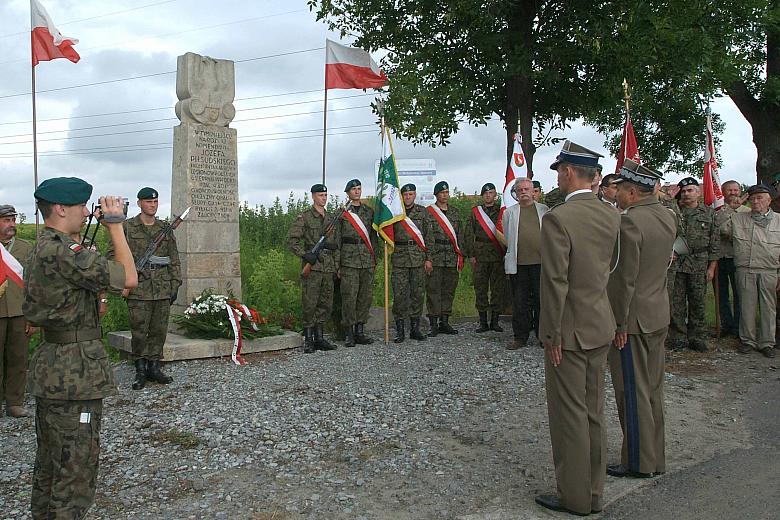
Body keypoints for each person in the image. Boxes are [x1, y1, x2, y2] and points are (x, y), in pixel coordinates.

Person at [24, 177, 137, 519]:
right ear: (60, 209)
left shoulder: (43, 246)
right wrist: (116, 226)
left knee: (51, 463)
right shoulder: (62, 251)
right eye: (80, 207)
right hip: (75, 376)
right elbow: (128, 277)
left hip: (53, 368)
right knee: (75, 470)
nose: (86, 213)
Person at [535, 141, 620, 516]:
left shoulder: (558, 218)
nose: (557, 177)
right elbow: (615, 271)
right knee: (594, 413)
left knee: (570, 416)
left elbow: (556, 282)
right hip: (599, 324)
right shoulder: (611, 214)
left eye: (558, 171)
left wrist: (550, 332)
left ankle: (574, 497)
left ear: (568, 172)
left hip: (568, 332)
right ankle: (595, 492)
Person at [606, 159, 677, 479]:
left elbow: (623, 281)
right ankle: (655, 457)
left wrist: (619, 324)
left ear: (632, 192)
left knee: (632, 394)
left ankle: (638, 462)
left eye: (620, 188)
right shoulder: (666, 215)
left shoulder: (629, 223)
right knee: (652, 390)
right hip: (657, 313)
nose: (616, 193)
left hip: (633, 322)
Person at [106, 187, 180, 390]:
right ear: (139, 203)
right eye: (148, 202)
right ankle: (140, 369)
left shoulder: (165, 229)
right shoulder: (128, 227)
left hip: (162, 287)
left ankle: (154, 367)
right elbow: (113, 255)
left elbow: (174, 258)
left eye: (155, 202)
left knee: (159, 330)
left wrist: (175, 284)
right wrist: (123, 281)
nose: (152, 205)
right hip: (138, 288)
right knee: (139, 331)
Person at [720, 184, 780, 358]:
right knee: (747, 306)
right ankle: (748, 340)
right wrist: (730, 208)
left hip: (769, 270)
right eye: (752, 198)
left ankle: (767, 342)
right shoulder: (739, 218)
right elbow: (721, 228)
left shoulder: (778, 220)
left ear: (769, 200)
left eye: (760, 198)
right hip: (745, 268)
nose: (755, 201)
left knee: (769, 307)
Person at [286, 184, 339, 353]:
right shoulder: (305, 217)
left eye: (325, 195)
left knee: (325, 302)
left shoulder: (331, 218)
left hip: (328, 265)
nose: (324, 198)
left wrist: (336, 265)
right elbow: (291, 240)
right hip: (313, 265)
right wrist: (304, 255)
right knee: (310, 303)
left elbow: (337, 245)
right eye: (321, 195)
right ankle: (308, 339)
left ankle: (320, 337)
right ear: (313, 196)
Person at [668, 177, 719, 352]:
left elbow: (714, 242)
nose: (686, 193)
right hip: (678, 262)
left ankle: (697, 337)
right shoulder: (675, 211)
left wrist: (712, 267)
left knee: (698, 301)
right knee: (677, 301)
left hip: (699, 262)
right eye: (683, 191)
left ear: (698, 192)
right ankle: (678, 336)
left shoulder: (709, 213)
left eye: (690, 190)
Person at [501, 178, 549, 349]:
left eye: (527, 189)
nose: (524, 193)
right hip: (519, 264)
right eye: (520, 190)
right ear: (515, 193)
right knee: (520, 302)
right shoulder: (510, 213)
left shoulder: (545, 211)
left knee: (541, 301)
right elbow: (508, 235)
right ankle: (520, 337)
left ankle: (543, 336)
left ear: (533, 191)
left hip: (541, 264)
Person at [0, 205, 33, 418]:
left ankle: (14, 402)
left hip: (19, 311)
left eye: (13, 219)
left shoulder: (25, 248)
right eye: (6, 220)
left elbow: (33, 282)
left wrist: (33, 315)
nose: (11, 224)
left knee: (18, 358)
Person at [337, 179, 377, 347]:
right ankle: (349, 333)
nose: (357, 191)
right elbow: (337, 239)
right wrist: (338, 263)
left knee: (365, 296)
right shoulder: (341, 213)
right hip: (349, 260)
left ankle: (360, 331)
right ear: (347, 192)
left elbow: (373, 237)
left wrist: (375, 258)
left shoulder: (369, 212)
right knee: (349, 297)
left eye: (359, 188)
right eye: (353, 189)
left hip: (367, 259)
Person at [390, 184, 432, 342]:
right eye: (405, 194)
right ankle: (400, 331)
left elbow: (429, 237)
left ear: (415, 195)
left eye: (411, 194)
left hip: (418, 257)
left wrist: (429, 258)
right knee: (399, 295)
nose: (408, 197)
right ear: (402, 196)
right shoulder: (394, 212)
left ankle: (415, 329)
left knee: (417, 294)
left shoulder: (423, 212)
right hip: (399, 258)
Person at [463, 182, 506, 333]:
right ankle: (483, 322)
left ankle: (494, 321)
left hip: (497, 254)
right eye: (485, 193)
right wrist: (471, 254)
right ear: (482, 196)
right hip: (480, 255)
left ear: (495, 195)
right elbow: (468, 234)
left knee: (497, 289)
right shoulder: (476, 212)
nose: (488, 195)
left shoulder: (502, 210)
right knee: (480, 288)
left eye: (491, 193)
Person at [424, 181, 462, 335]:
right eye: (442, 192)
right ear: (436, 194)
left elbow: (460, 235)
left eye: (447, 192)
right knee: (433, 290)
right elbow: (426, 236)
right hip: (436, 255)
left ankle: (444, 322)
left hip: (452, 256)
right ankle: (433, 323)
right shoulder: (429, 212)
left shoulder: (455, 212)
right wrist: (428, 258)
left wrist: (461, 255)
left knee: (448, 290)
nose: (445, 195)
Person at [715, 184, 750, 337]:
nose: (733, 193)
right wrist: (729, 209)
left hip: (738, 258)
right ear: (723, 192)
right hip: (720, 257)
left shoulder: (747, 212)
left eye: (736, 190)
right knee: (721, 294)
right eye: (729, 190)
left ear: (740, 191)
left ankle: (738, 327)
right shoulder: (718, 210)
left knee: (739, 294)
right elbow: (718, 229)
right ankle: (726, 325)